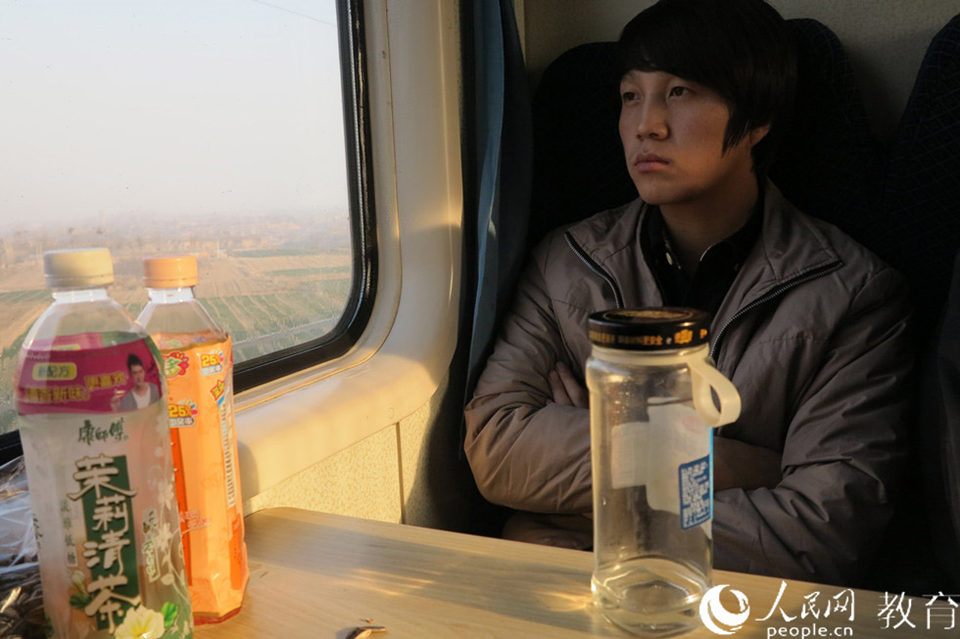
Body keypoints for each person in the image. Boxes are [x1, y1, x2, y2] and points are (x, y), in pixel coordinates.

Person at [464, 0, 913, 586]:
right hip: (576, 589)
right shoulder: (565, 262)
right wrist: (748, 465)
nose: (646, 124)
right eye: (631, 96)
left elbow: (817, 536)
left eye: (680, 92)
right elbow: (499, 450)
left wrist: (604, 479)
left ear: (757, 120)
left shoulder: (852, 294)